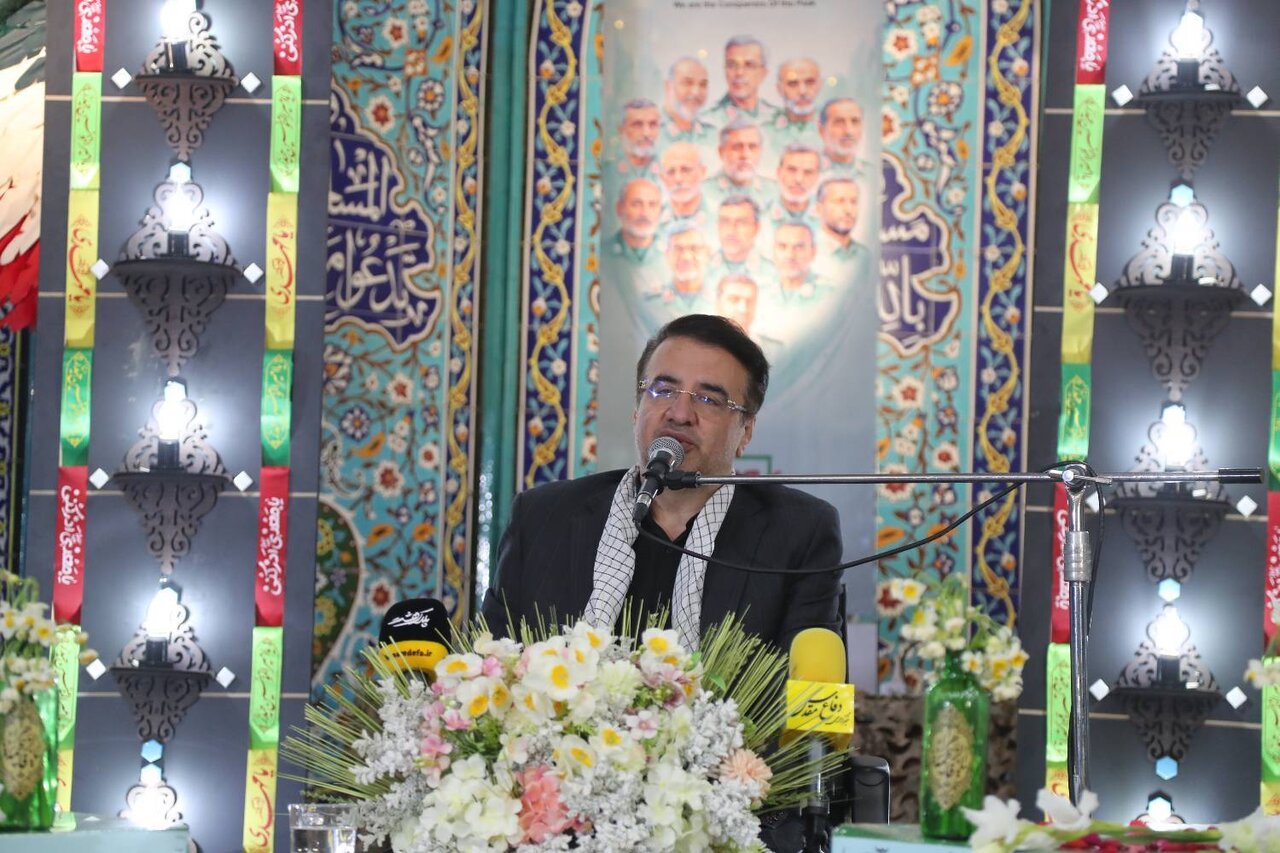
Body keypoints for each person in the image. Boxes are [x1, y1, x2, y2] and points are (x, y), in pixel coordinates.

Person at [480, 313, 842, 651]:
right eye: (663, 390)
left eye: (708, 399)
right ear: (637, 408)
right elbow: (493, 666)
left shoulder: (800, 533)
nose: (680, 414)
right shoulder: (542, 517)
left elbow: (813, 691)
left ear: (745, 431)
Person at [706, 35, 776, 125]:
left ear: (763, 73)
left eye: (749, 65)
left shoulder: (777, 118)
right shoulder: (707, 121)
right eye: (732, 65)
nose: (739, 72)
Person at [660, 56, 715, 146]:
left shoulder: (713, 135)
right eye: (688, 83)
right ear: (668, 86)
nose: (696, 92)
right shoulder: (650, 131)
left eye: (703, 84)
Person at [657, 142, 711, 228]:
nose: (678, 179)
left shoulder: (720, 215)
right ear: (662, 178)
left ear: (702, 172)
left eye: (686, 170)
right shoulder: (652, 219)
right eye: (671, 172)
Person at [818, 97, 870, 178]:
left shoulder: (872, 173)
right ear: (821, 130)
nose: (849, 131)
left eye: (855, 121)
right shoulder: (806, 171)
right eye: (839, 122)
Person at [617, 98, 661, 179]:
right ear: (621, 130)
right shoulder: (608, 170)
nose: (646, 133)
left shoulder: (668, 167)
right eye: (638, 125)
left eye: (653, 124)